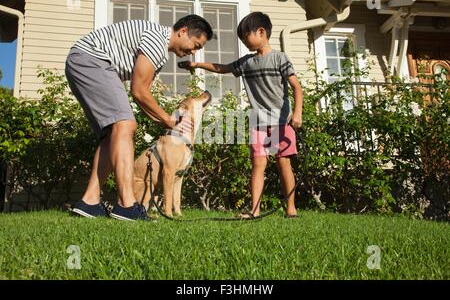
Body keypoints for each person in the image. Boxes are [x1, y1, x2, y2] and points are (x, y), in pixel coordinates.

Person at [65, 15, 213, 221]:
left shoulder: (159, 54)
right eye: (195, 45)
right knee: (125, 124)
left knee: (113, 133)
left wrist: (162, 122)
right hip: (92, 59)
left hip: (84, 60)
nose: (194, 51)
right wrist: (169, 121)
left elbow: (144, 99)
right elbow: (139, 91)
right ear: (183, 32)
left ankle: (89, 202)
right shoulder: (157, 41)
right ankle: (126, 205)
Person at [178, 12, 303, 218]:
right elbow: (222, 68)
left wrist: (297, 113)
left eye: (246, 36)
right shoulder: (247, 63)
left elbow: (296, 87)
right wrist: (197, 65)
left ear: (261, 32)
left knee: (284, 164)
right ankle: (255, 209)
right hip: (259, 122)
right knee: (258, 164)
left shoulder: (280, 58)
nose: (244, 42)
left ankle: (291, 208)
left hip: (282, 122)